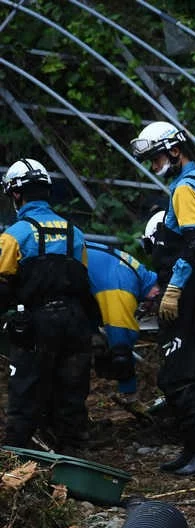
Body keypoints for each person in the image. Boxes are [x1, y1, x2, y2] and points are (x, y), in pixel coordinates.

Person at [131, 121, 195, 476]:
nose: (153, 165)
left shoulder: (185, 188)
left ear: (174, 150)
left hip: (186, 292)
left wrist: (174, 287)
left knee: (179, 374)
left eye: (155, 157)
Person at [0, 158, 101, 451]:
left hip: (35, 325)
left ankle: (16, 459)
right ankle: (73, 459)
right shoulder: (75, 232)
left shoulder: (14, 236)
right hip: (76, 323)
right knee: (71, 394)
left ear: (16, 194)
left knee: (25, 391)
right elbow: (84, 281)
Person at [86, 239, 159, 410]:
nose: (149, 308)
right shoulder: (124, 282)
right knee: (120, 351)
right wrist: (129, 387)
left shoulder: (134, 270)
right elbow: (121, 338)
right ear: (157, 290)